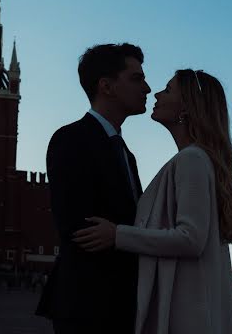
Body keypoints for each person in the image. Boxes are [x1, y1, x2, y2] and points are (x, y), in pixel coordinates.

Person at [73, 69, 232, 333]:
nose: (156, 94)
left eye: (168, 89)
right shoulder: (198, 159)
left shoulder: (191, 159)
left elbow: (190, 238)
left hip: (185, 314)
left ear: (186, 107)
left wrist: (117, 235)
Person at [36, 44, 150, 334]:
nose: (147, 88)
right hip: (89, 305)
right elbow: (80, 229)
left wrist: (120, 234)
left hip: (120, 305)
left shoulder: (125, 152)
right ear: (107, 86)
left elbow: (120, 225)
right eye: (136, 78)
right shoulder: (71, 139)